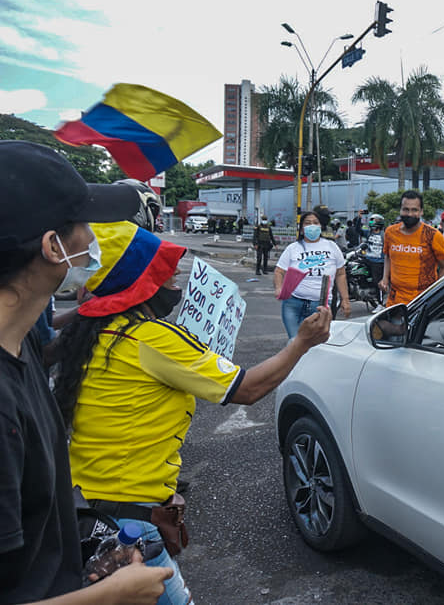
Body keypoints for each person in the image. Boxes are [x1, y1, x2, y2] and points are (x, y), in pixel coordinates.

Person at [53, 220, 332, 605]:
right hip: (129, 523)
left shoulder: (99, 331)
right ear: (139, 283)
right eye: (164, 274)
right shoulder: (150, 339)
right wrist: (302, 342)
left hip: (86, 509)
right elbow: (247, 389)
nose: (176, 280)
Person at [0, 141, 172, 604]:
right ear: (53, 247)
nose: (94, 238)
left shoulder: (23, 350)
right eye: (84, 225)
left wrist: (89, 540)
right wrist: (111, 596)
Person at [274, 211, 350, 337]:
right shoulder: (293, 248)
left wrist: (345, 299)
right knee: (294, 342)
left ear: (321, 226)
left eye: (315, 223)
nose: (312, 226)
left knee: (314, 343)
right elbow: (279, 271)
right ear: (302, 229)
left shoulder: (331, 246)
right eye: (307, 223)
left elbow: (341, 274)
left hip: (320, 305)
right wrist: (279, 288)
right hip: (293, 303)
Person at [379, 191, 444, 305]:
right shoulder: (390, 232)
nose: (410, 214)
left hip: (422, 302)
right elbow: (388, 256)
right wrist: (385, 279)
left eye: (414, 210)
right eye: (406, 209)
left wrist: (436, 293)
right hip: (395, 301)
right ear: (400, 210)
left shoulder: (433, 235)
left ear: (421, 211)